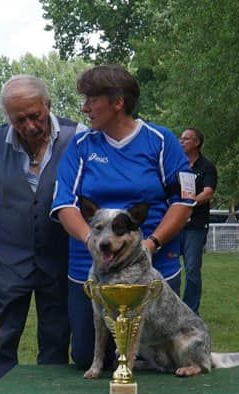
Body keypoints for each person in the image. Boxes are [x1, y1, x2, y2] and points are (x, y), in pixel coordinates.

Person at [51, 64, 196, 371]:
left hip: (154, 268)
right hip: (90, 272)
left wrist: (151, 242)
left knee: (157, 362)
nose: (84, 107)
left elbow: (184, 201)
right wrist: (93, 241)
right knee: (85, 358)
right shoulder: (80, 146)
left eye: (92, 99)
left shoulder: (162, 141)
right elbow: (64, 204)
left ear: (118, 102)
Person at [0, 75, 84, 382]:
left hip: (61, 259)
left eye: (36, 115)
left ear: (48, 104)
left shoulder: (79, 137)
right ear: (7, 117)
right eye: (19, 120)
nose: (30, 126)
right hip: (8, 260)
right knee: (0, 337)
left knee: (57, 336)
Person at [177, 127, 218, 315]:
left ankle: (190, 311)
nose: (181, 141)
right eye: (181, 138)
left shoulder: (207, 167)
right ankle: (170, 309)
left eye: (186, 139)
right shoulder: (176, 165)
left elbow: (208, 192)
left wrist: (189, 204)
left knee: (192, 268)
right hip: (175, 223)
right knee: (169, 266)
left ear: (197, 143)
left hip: (195, 225)